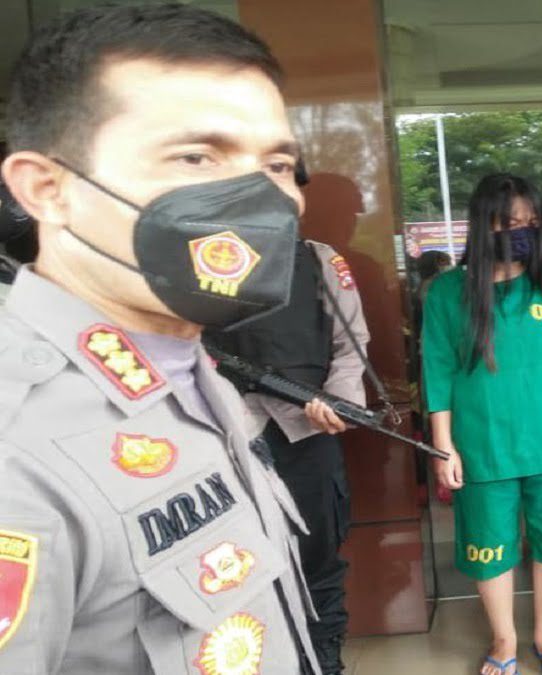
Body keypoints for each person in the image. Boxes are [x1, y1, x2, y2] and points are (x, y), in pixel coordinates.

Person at [0, 5, 322, 673]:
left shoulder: (190, 369)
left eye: (277, 163)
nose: (261, 197)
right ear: (47, 189)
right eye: (197, 156)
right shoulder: (16, 449)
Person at [421, 173, 542, 675]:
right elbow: (438, 369)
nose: (520, 231)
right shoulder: (448, 292)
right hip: (484, 444)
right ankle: (504, 640)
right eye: (509, 221)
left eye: (530, 222)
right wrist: (444, 445)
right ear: (484, 223)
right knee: (490, 549)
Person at [203, 169, 370, 673]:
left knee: (319, 558)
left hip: (307, 432)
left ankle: (325, 660)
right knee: (238, 564)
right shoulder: (200, 262)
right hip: (227, 439)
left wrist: (337, 403)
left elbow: (351, 343)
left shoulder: (318, 259)